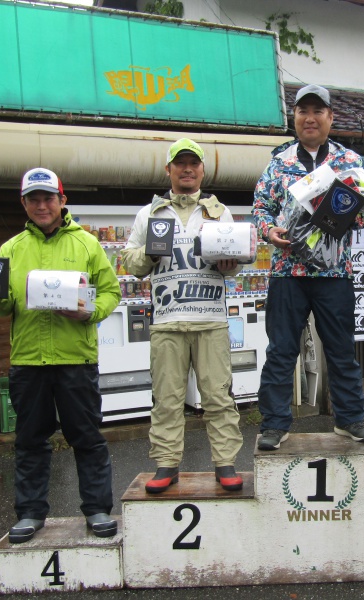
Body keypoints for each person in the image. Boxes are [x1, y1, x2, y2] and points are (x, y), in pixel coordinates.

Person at [0, 167, 121, 543]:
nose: (42, 205)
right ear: (24, 204)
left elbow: (111, 292)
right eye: (34, 199)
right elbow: (0, 309)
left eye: (49, 198)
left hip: (76, 358)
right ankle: (30, 513)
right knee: (30, 439)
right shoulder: (10, 249)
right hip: (28, 361)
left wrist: (88, 311)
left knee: (87, 437)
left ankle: (96, 509)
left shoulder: (87, 245)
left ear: (62, 201)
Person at [252, 84, 364, 450]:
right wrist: (268, 230)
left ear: (330, 118)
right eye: (303, 111)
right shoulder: (278, 163)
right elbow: (261, 208)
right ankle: (275, 424)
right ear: (294, 118)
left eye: (318, 111)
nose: (310, 118)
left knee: (341, 349)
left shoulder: (349, 161)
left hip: (334, 274)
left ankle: (351, 419)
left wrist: (340, 221)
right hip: (286, 273)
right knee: (281, 350)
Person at [122, 138, 244, 493]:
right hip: (167, 322)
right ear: (169, 170)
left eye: (193, 163)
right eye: (180, 163)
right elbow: (131, 264)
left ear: (203, 170)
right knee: (167, 398)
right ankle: (166, 464)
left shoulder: (220, 213)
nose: (187, 169)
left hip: (210, 321)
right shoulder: (150, 214)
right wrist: (148, 253)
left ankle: (225, 463)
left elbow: (233, 266)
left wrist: (230, 263)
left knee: (219, 396)